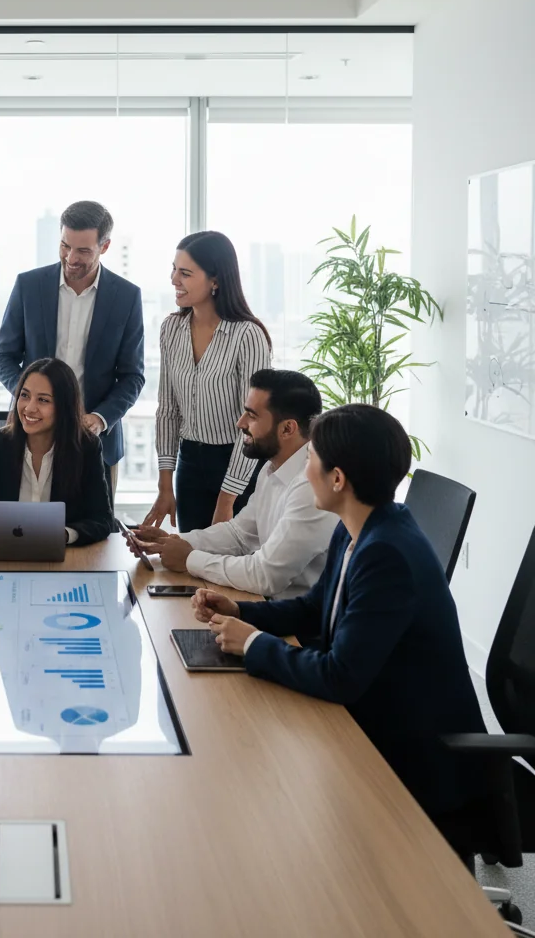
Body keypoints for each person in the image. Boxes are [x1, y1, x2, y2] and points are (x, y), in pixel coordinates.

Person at [195, 404, 488, 847]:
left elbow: (341, 676)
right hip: (373, 721)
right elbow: (316, 606)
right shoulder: (360, 527)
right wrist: (241, 612)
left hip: (415, 757)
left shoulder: (386, 553)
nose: (304, 469)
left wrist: (253, 644)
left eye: (311, 459)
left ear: (338, 479)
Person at [131, 370, 336, 599]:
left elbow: (265, 576)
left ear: (287, 429)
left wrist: (189, 559)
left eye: (252, 416)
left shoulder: (310, 486)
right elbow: (240, 535)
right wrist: (171, 542)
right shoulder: (272, 469)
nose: (240, 423)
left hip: (297, 628)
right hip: (268, 609)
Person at [0, 201, 144, 503]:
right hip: (30, 436)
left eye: (83, 251)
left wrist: (100, 419)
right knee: (21, 535)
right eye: (65, 246)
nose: (71, 258)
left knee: (93, 540)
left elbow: (132, 376)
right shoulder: (29, 285)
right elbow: (3, 357)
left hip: (94, 442)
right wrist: (30, 396)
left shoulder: (127, 297)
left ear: (106, 246)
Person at [146, 230, 271, 533]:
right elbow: (168, 411)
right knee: (189, 563)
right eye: (174, 269)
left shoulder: (247, 335)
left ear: (215, 280)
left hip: (237, 465)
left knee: (231, 567)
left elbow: (254, 424)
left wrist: (226, 500)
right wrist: (166, 485)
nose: (174, 279)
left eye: (185, 273)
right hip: (189, 464)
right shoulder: (171, 329)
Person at [0, 358, 113, 546]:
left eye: (43, 400)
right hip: (2, 560)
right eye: (24, 395)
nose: (29, 408)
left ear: (64, 406)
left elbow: (102, 520)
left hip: (64, 562)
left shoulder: (86, 447)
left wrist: (63, 535)